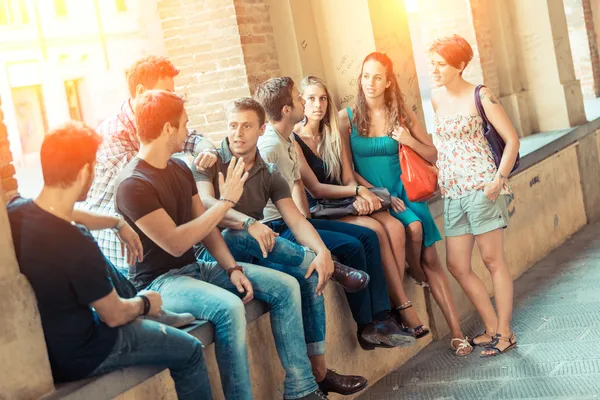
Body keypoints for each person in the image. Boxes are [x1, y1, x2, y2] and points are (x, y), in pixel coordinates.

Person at [114, 89, 328, 399]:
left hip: (197, 268)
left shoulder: (177, 168)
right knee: (230, 308)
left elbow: (207, 229)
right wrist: (226, 200)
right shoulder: (133, 184)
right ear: (168, 129)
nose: (188, 131)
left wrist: (231, 268)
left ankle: (301, 389)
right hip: (160, 283)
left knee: (285, 287)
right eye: (184, 124)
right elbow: (175, 242)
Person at [7, 122, 209, 399]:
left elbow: (62, 215)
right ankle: (151, 308)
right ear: (84, 172)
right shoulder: (75, 243)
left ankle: (150, 310)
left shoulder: (16, 212)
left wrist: (116, 222)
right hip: (86, 350)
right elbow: (114, 315)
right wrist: (146, 302)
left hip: (50, 344)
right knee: (191, 350)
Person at [195, 97, 369, 396]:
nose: (238, 133)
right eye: (233, 126)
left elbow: (296, 220)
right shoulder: (211, 162)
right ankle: (330, 269)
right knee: (238, 235)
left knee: (311, 275)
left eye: (247, 126)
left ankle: (318, 372)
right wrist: (249, 223)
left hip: (255, 253)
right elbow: (205, 204)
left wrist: (323, 253)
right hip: (215, 258)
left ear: (261, 130)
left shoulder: (269, 172)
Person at [253, 77, 416, 352]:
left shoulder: (286, 141)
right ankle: (367, 324)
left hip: (299, 220)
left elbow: (296, 191)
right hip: (278, 227)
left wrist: (309, 223)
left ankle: (379, 320)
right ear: (285, 110)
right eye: (298, 98)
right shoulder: (269, 147)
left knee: (367, 236)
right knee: (353, 244)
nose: (304, 103)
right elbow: (262, 201)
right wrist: (309, 234)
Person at [294, 75, 445, 347]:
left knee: (397, 227)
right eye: (311, 99)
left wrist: (360, 193)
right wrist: (358, 192)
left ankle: (391, 307)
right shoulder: (295, 139)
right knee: (376, 229)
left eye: (323, 98)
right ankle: (400, 307)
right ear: (300, 103)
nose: (318, 105)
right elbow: (316, 190)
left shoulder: (331, 133)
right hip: (320, 209)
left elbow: (348, 176)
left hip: (345, 202)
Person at [340, 52, 472, 356]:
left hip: (407, 192)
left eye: (377, 77)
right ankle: (411, 280)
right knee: (411, 229)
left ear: (388, 82)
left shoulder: (401, 113)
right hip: (376, 196)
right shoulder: (346, 118)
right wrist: (379, 194)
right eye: (365, 76)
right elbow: (348, 172)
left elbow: (432, 154)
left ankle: (456, 332)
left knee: (430, 255)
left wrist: (407, 139)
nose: (370, 83)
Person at [80, 55, 217, 272]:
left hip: (161, 242)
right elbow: (147, 180)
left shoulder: (164, 121)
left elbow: (194, 139)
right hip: (125, 252)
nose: (173, 98)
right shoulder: (113, 135)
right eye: (167, 92)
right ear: (142, 92)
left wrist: (207, 150)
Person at [429, 35, 520, 356]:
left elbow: (512, 140)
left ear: (460, 66)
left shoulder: (481, 95)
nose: (434, 69)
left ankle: (505, 333)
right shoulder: (436, 98)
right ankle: (492, 326)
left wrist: (499, 180)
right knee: (457, 264)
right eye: (433, 63)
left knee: (493, 261)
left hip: (483, 189)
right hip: (452, 193)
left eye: (441, 64)